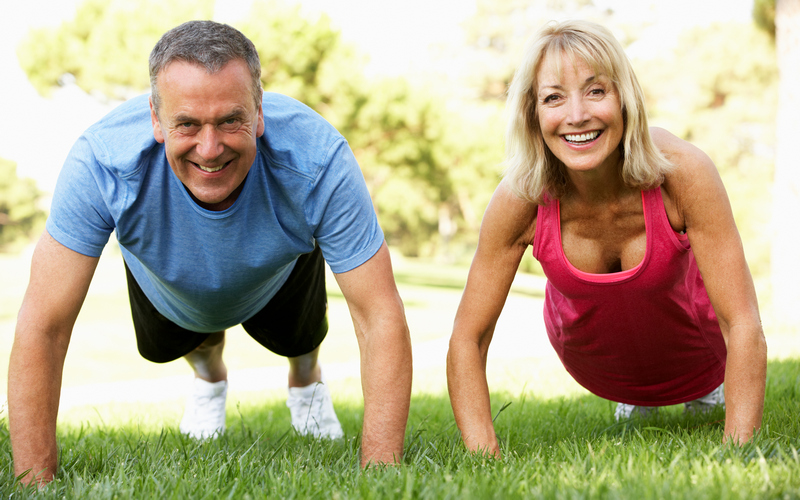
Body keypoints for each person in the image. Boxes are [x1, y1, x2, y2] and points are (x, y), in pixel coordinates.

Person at [8, 20, 412, 485]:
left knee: (299, 341)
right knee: (177, 342)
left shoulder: (318, 158)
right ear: (156, 120)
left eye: (230, 121)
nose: (210, 147)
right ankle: (209, 380)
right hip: (167, 281)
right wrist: (33, 483)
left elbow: (378, 315)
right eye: (187, 124)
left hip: (279, 269)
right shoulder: (102, 161)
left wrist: (381, 474)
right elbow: (45, 325)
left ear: (259, 112)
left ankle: (306, 382)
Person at [447, 19, 766, 456]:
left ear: (625, 99)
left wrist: (739, 449)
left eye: (596, 91)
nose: (577, 115)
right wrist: (483, 457)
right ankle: (632, 395)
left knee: (708, 374)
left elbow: (741, 320)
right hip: (596, 361)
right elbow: (470, 336)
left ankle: (704, 391)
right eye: (554, 97)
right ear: (532, 114)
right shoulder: (520, 197)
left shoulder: (683, 172)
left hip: (701, 353)